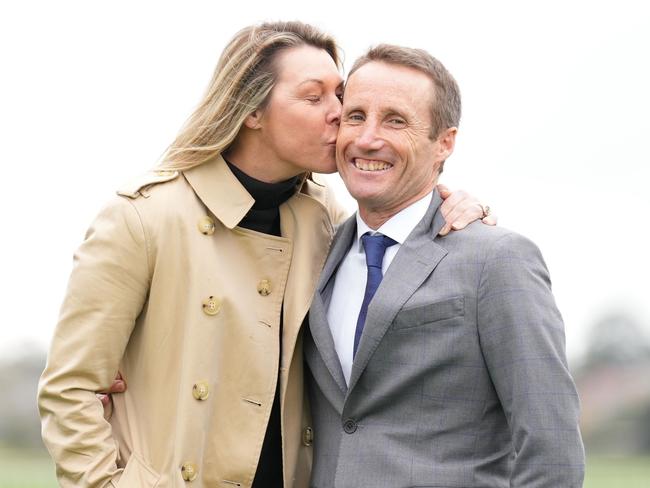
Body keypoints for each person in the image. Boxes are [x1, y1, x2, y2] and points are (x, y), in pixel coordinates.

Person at [37, 22, 491, 488]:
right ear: (252, 111)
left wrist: (449, 203)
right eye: (315, 98)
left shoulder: (325, 221)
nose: (340, 113)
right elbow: (69, 390)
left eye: (340, 95)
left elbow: (399, 217)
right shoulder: (145, 218)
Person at [304, 44, 585, 487]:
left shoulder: (497, 260)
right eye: (355, 116)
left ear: (444, 143)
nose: (367, 138)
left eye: (395, 120)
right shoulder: (313, 251)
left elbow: (552, 450)